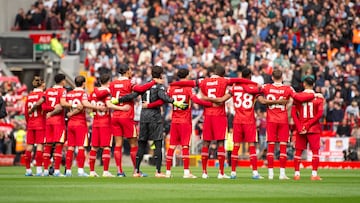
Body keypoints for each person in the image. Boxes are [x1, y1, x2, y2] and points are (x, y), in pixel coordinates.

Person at [170, 64, 257, 179]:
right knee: (220, 143)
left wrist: (173, 84)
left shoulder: (203, 81)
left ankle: (204, 172)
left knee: (206, 143)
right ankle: (221, 173)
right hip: (219, 115)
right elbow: (240, 80)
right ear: (223, 74)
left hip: (207, 115)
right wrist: (253, 84)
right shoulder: (224, 80)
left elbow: (187, 83)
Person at [113, 65, 187, 177]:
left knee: (141, 144)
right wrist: (175, 102)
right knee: (157, 143)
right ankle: (158, 171)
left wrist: (119, 100)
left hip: (143, 117)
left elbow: (132, 95)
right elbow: (163, 98)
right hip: (154, 117)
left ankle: (136, 171)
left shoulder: (145, 85)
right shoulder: (159, 86)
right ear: (161, 74)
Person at [257, 69, 318, 180]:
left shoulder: (266, 87)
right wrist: (313, 95)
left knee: (270, 147)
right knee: (283, 147)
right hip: (283, 120)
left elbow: (256, 92)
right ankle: (282, 174)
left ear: (272, 78)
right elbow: (298, 97)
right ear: (283, 77)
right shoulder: (288, 89)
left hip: (271, 120)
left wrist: (264, 100)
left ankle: (270, 174)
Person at [109, 64, 163, 177]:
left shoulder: (112, 84)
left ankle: (119, 171)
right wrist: (154, 82)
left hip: (115, 116)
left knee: (118, 144)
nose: (131, 72)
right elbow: (141, 89)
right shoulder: (129, 83)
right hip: (126, 116)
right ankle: (136, 170)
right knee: (133, 144)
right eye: (130, 70)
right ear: (127, 72)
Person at [160, 69, 213, 178]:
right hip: (185, 121)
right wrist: (208, 104)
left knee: (172, 146)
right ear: (187, 76)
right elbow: (196, 100)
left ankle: (168, 172)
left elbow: (165, 98)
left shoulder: (172, 87)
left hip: (174, 120)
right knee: (185, 146)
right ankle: (186, 172)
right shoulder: (188, 88)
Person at [30, 73, 76, 177]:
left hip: (48, 121)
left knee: (48, 146)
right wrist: (74, 105)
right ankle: (56, 171)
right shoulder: (62, 91)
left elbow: (39, 103)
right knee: (59, 146)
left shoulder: (48, 90)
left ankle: (45, 171)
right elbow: (62, 105)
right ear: (63, 81)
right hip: (58, 121)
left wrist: (31, 110)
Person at [88, 74, 130, 177]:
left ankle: (92, 171)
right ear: (108, 81)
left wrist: (94, 111)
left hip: (95, 122)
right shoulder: (106, 93)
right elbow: (109, 105)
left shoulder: (93, 92)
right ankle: (105, 171)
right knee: (106, 147)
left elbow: (89, 106)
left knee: (94, 147)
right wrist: (122, 108)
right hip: (105, 123)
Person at [64, 75, 105, 177]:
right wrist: (97, 107)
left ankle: (68, 171)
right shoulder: (83, 93)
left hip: (70, 123)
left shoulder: (69, 94)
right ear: (83, 83)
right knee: (81, 147)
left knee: (70, 148)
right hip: (80, 123)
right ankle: (80, 171)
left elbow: (64, 104)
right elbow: (84, 104)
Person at [291, 77, 324, 181]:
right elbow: (320, 114)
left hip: (301, 128)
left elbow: (293, 113)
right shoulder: (319, 98)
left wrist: (300, 126)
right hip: (313, 128)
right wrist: (309, 124)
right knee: (315, 152)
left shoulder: (298, 96)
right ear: (313, 84)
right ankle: (314, 175)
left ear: (304, 84)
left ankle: (297, 174)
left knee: (298, 152)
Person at [24, 76, 46, 176]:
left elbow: (26, 112)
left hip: (31, 124)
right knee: (40, 147)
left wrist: (28, 123)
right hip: (40, 123)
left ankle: (28, 170)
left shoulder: (29, 96)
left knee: (29, 147)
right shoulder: (42, 95)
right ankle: (38, 170)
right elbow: (45, 108)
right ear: (42, 84)